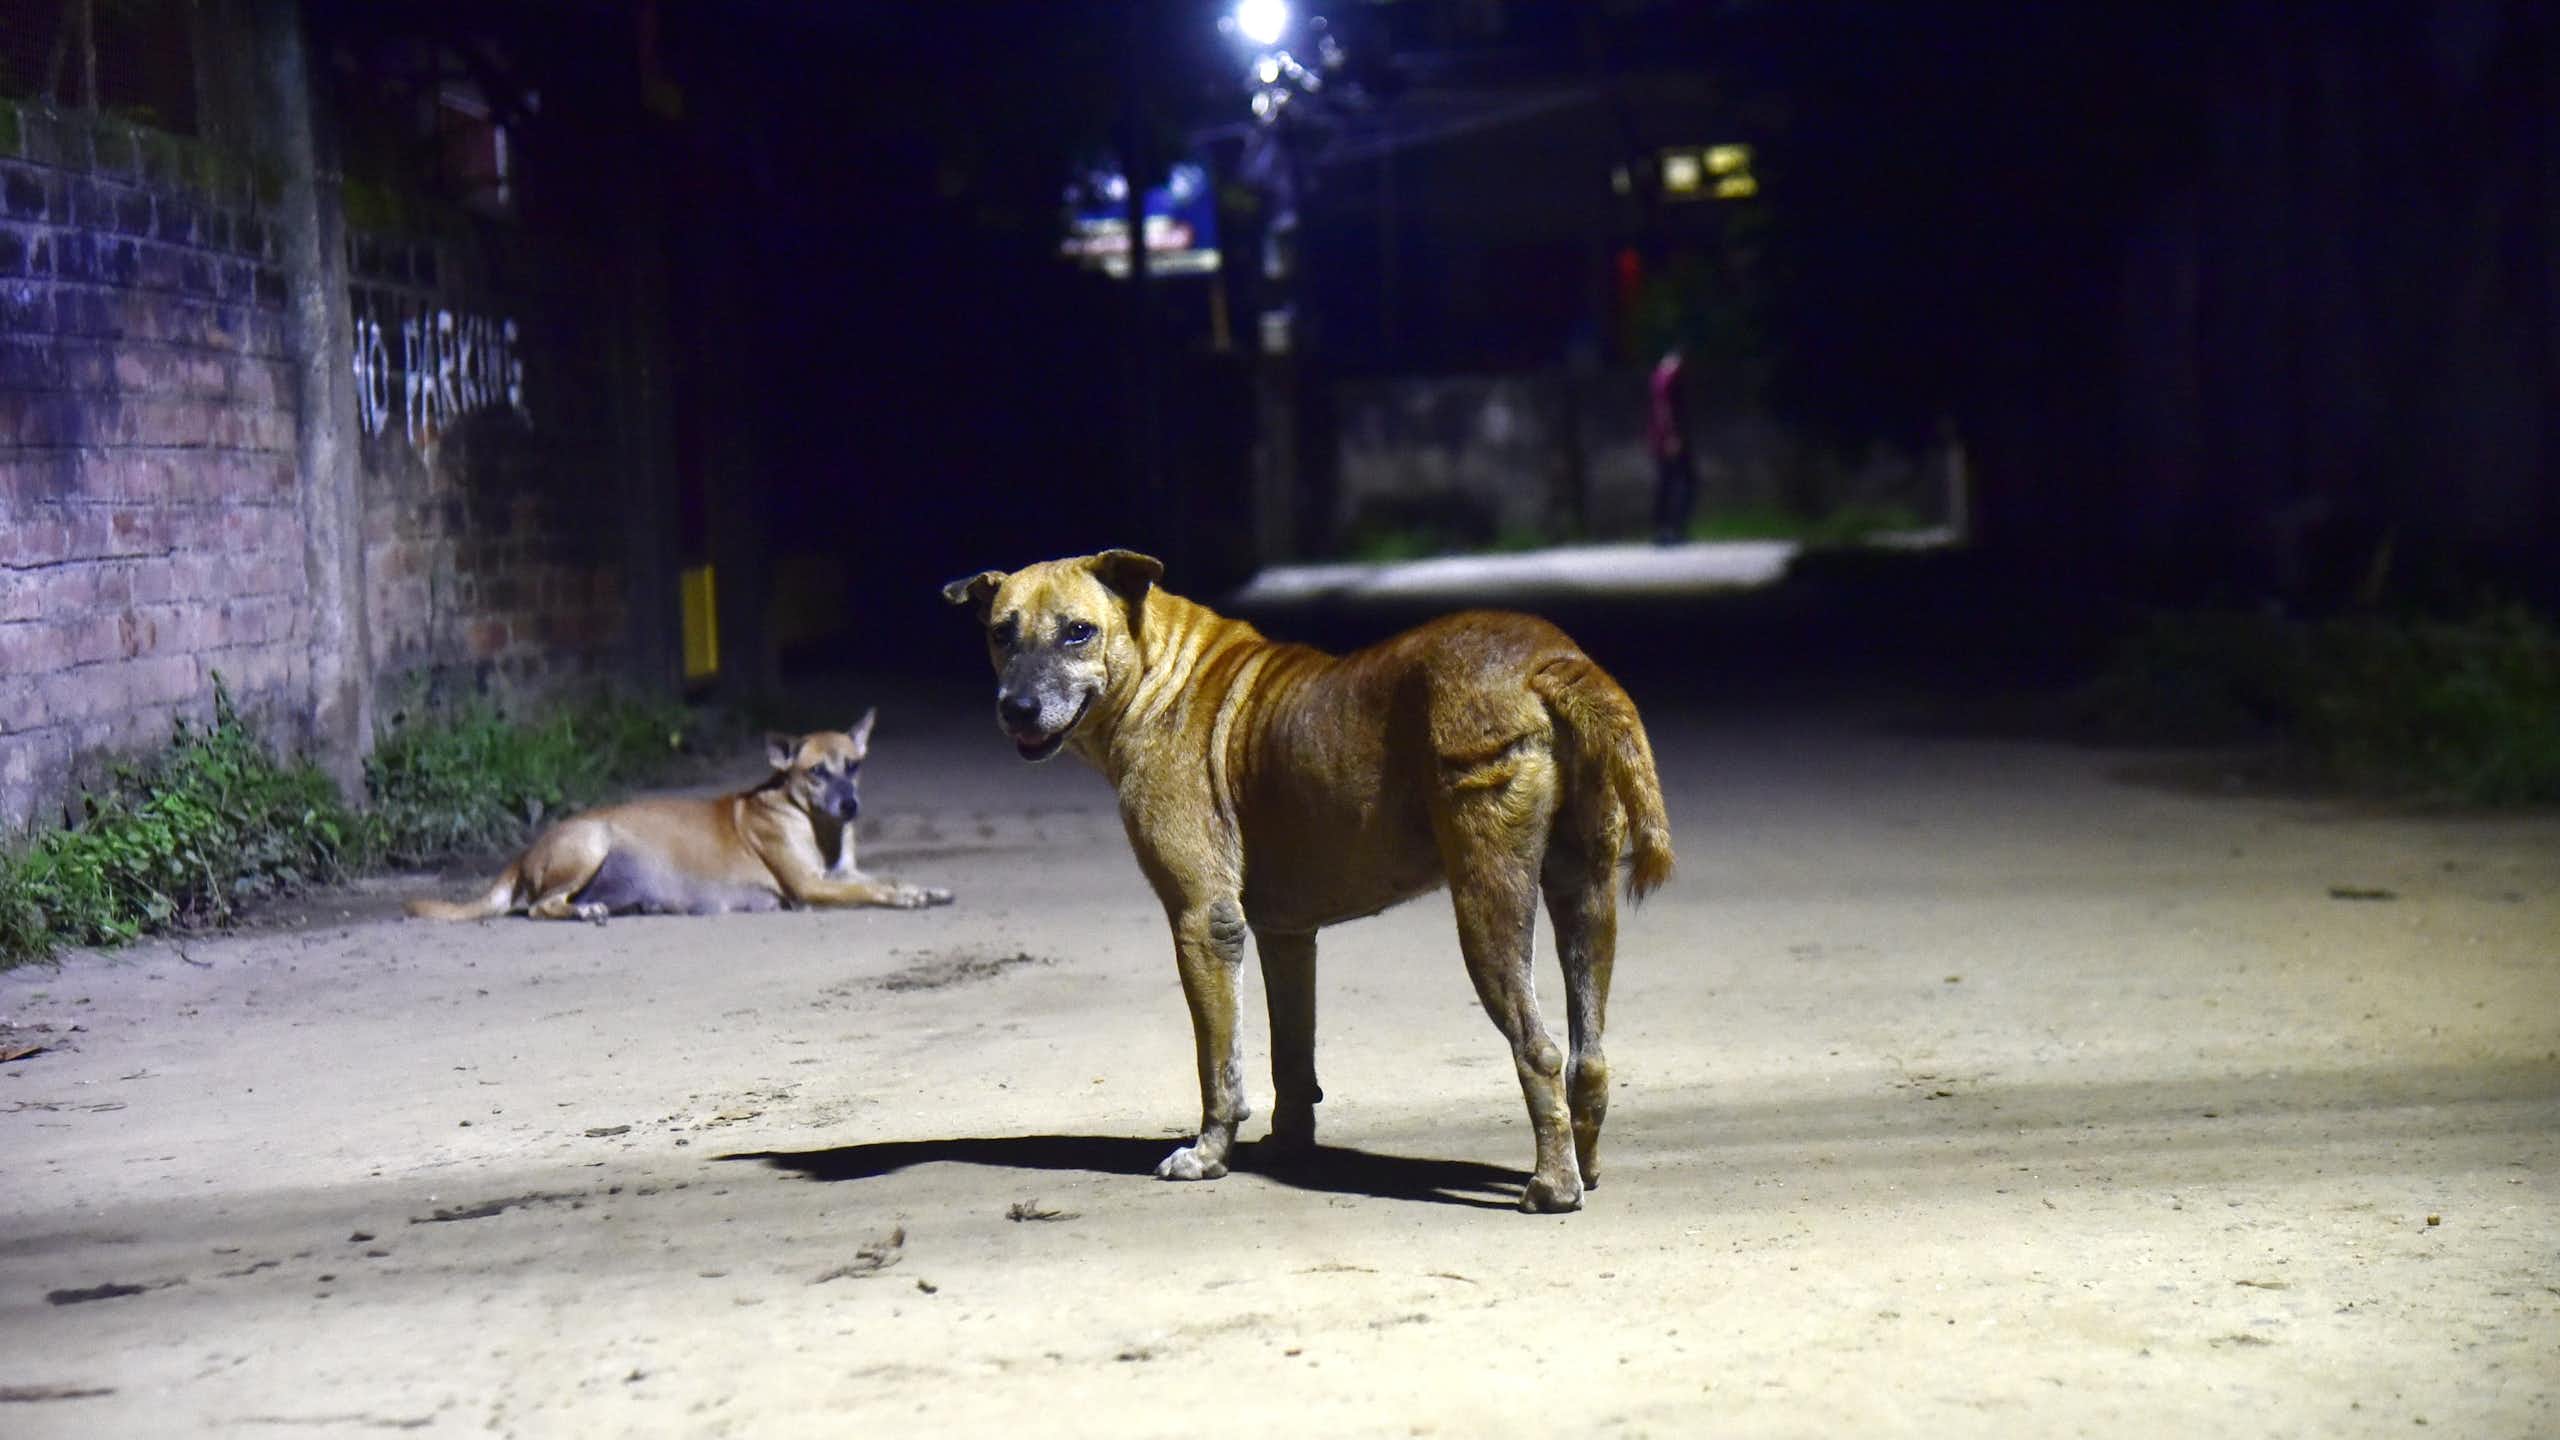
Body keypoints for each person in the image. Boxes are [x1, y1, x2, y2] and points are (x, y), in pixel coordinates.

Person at [1647, 346, 1696, 545]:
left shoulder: (1660, 375)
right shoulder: (1669, 376)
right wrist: (1672, 435)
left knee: (1669, 482)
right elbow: (1664, 407)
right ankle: (1670, 529)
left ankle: (1667, 529)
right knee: (1678, 482)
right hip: (1669, 438)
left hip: (1663, 437)